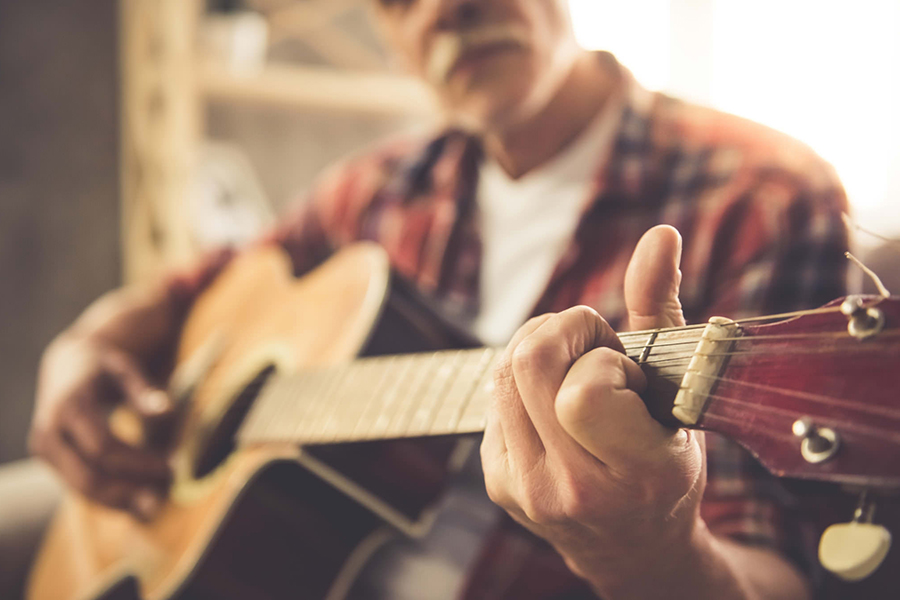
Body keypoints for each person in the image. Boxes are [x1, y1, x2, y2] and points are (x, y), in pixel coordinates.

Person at [4, 0, 857, 598]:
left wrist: (647, 554)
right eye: (399, 0)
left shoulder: (761, 197)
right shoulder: (375, 191)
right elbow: (206, 282)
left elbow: (777, 574)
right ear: (392, 40)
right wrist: (86, 344)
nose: (443, 10)